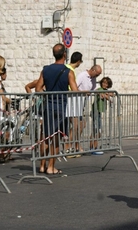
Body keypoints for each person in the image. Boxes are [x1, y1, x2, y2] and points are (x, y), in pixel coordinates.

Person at [35, 43, 78, 175]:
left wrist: (48, 95)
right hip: (61, 107)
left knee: (46, 137)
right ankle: (51, 167)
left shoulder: (45, 70)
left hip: (48, 106)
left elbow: (37, 88)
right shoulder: (68, 71)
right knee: (57, 138)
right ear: (64, 54)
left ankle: (42, 165)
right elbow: (75, 91)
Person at [66, 64, 102, 155]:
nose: (97, 76)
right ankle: (68, 146)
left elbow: (93, 89)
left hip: (82, 103)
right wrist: (84, 92)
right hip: (74, 102)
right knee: (76, 125)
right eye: (97, 74)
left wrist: (102, 92)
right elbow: (74, 87)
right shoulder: (82, 75)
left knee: (82, 124)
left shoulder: (93, 79)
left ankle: (76, 144)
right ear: (93, 70)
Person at [64, 51, 83, 157]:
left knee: (74, 125)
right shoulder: (70, 70)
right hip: (70, 100)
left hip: (68, 100)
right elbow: (73, 88)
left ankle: (70, 147)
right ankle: (67, 148)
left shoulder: (66, 67)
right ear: (78, 61)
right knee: (75, 125)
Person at [90, 77, 113, 155]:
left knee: (96, 130)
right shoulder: (100, 89)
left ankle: (92, 148)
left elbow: (112, 94)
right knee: (97, 131)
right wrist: (107, 96)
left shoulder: (105, 90)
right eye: (103, 82)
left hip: (98, 112)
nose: (104, 84)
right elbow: (100, 93)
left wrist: (108, 94)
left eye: (106, 83)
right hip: (95, 111)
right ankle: (93, 148)